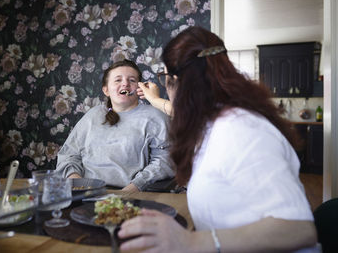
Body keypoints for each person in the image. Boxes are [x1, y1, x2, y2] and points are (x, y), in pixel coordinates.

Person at [118, 26, 318, 252]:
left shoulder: (241, 131)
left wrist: (191, 242)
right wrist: (156, 101)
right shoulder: (211, 123)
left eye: (165, 77)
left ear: (177, 81)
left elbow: (299, 229)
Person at [56, 59, 174, 193]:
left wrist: (129, 191)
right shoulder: (92, 115)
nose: (125, 83)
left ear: (140, 88)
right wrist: (79, 185)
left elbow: (164, 161)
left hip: (131, 195)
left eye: (132, 80)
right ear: (106, 90)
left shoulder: (155, 117)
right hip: (85, 192)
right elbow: (69, 154)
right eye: (118, 80)